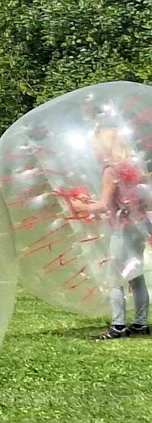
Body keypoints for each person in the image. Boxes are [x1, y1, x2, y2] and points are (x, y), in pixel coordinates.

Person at [87, 127, 151, 340]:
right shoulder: (134, 165)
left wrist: (79, 206)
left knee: (113, 277)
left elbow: (104, 205)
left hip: (123, 228)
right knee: (136, 274)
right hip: (140, 225)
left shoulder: (111, 170)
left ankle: (118, 327)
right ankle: (141, 323)